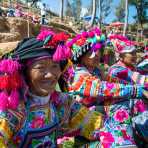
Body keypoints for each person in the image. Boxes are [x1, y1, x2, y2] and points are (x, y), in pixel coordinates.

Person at [0, 29, 147, 148]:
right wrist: (137, 90)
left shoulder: (62, 103)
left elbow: (98, 124)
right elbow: (104, 88)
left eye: (55, 66)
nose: (50, 74)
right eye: (40, 68)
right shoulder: (12, 112)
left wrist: (120, 139)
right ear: (25, 71)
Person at [61, 28, 148, 147]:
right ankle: (120, 140)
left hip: (95, 110)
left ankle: (132, 133)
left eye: (98, 50)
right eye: (91, 52)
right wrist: (136, 90)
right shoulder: (79, 74)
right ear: (81, 55)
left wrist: (136, 88)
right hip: (80, 115)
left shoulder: (97, 70)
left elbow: (114, 82)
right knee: (118, 100)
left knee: (126, 97)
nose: (96, 55)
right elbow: (103, 88)